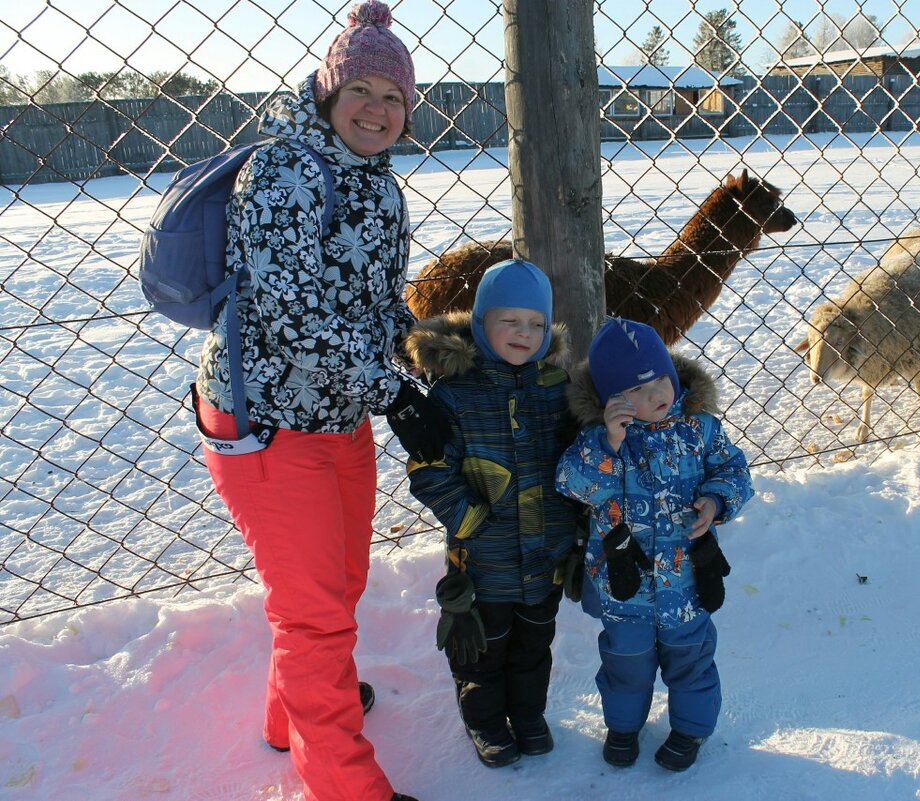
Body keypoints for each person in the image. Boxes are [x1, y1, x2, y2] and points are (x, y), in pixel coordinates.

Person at [194, 3, 447, 800]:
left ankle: (291, 714)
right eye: (361, 90)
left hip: (337, 409)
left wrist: (428, 362)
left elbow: (376, 306)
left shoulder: (379, 184)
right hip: (264, 417)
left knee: (336, 582)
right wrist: (393, 395)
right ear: (329, 93)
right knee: (314, 615)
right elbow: (292, 315)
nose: (376, 109)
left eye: (393, 97)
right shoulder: (282, 171)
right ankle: (345, 785)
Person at [555, 317, 754, 773]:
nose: (658, 395)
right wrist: (610, 441)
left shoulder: (700, 429)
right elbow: (571, 484)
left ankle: (690, 730)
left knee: (693, 661)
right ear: (612, 401)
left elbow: (735, 472)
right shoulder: (600, 443)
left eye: (662, 379)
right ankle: (623, 727)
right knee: (626, 664)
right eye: (639, 392)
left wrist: (715, 500)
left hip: (687, 582)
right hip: (625, 590)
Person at [403, 259, 581, 768]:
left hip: (546, 552)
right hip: (482, 556)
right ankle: (483, 720)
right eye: (511, 321)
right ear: (481, 323)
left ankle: (527, 715)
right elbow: (430, 469)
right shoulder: (453, 393)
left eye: (537, 324)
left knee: (534, 644)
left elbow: (575, 454)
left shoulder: (555, 387)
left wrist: (577, 522)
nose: (525, 333)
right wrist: (469, 521)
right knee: (483, 647)